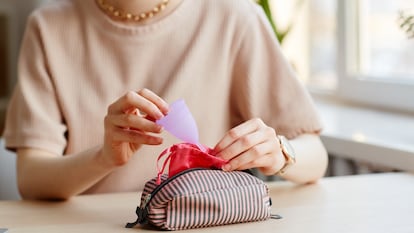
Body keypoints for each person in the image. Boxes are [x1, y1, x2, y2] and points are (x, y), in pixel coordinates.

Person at [3, 0, 328, 200]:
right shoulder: (47, 27)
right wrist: (105, 157)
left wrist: (279, 153)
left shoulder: (236, 17)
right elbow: (31, 178)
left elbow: (316, 155)